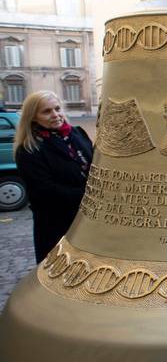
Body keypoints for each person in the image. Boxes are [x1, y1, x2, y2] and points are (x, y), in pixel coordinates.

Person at [13, 91, 93, 263]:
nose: (55, 115)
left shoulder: (77, 133)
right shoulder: (29, 149)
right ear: (33, 117)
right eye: (47, 111)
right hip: (57, 226)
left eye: (57, 109)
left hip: (88, 222)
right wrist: (89, 196)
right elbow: (45, 190)